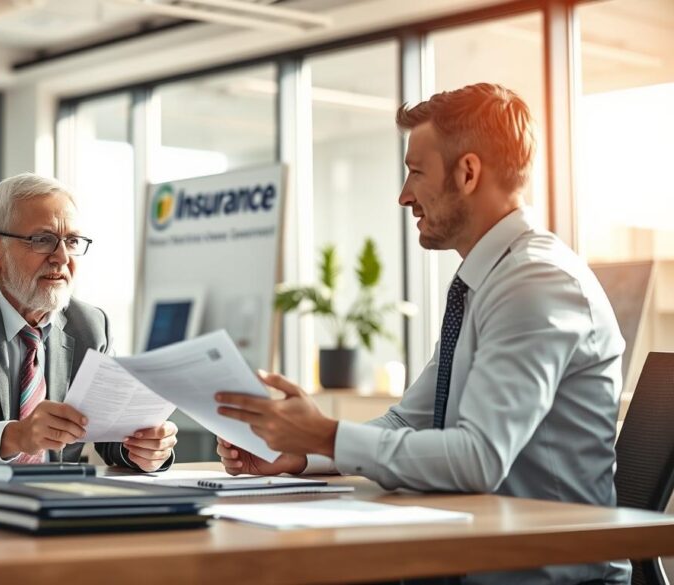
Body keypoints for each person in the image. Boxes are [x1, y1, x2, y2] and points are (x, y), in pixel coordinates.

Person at [215, 83, 629, 584]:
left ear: (468, 173)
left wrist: (325, 432)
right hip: (480, 557)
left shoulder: (536, 283)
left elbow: (479, 460)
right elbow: (403, 423)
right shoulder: (488, 280)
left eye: (415, 172)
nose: (404, 195)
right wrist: (300, 454)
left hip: (546, 575)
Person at [0, 173, 177, 474]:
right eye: (43, 240)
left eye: (72, 241)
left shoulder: (90, 325)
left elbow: (109, 434)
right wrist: (15, 436)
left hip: (53, 504)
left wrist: (143, 448)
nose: (62, 257)